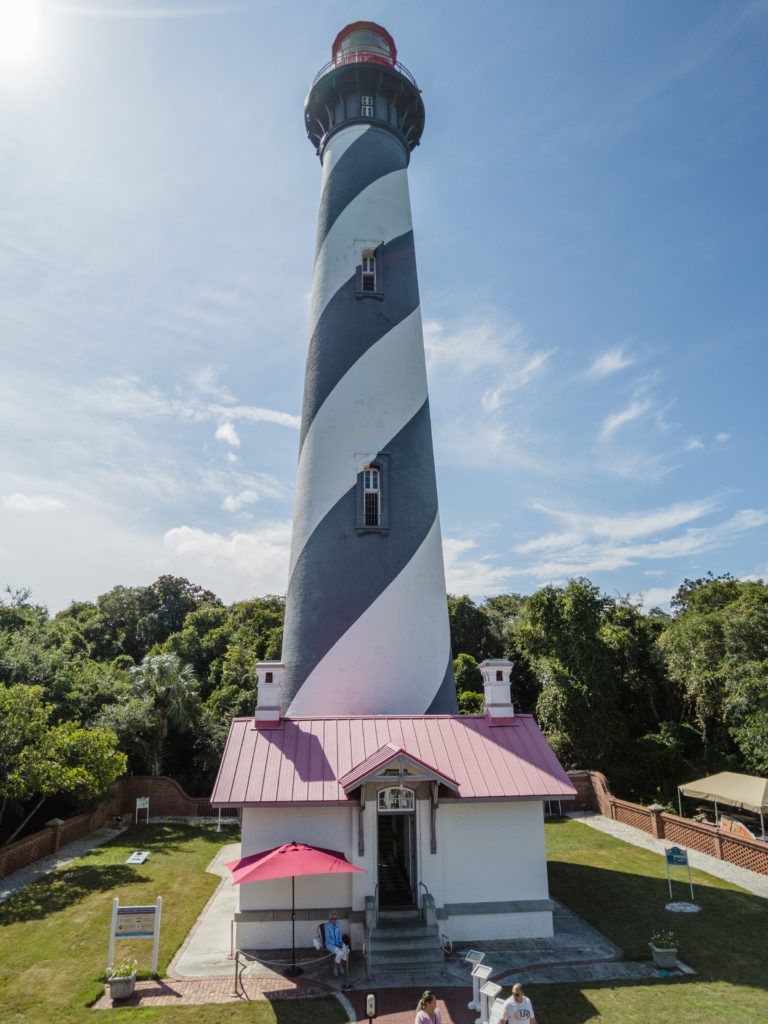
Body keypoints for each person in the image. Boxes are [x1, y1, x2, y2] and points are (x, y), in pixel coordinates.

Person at [323, 911, 349, 976]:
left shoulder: (338, 924)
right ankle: (335, 967)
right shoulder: (327, 926)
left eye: (335, 918)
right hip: (330, 944)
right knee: (340, 953)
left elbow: (340, 934)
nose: (334, 920)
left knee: (346, 950)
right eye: (333, 919)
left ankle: (340, 965)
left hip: (338, 943)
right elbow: (328, 938)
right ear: (330, 919)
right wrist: (335, 944)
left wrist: (340, 942)